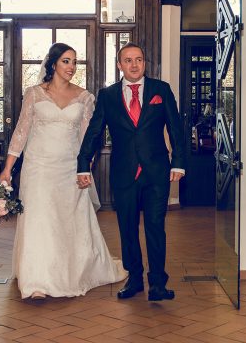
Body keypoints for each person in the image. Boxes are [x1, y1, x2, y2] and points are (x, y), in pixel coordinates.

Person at [0, 42, 127, 300]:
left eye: (74, 62)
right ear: (53, 63)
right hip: (38, 167)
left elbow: (87, 138)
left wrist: (85, 167)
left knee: (68, 221)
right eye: (66, 61)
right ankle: (36, 281)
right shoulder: (34, 93)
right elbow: (22, 132)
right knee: (39, 221)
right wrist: (7, 169)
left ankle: (73, 271)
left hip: (69, 168)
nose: (72, 67)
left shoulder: (85, 97)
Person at [77, 43, 185, 301]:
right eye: (128, 60)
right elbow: (94, 133)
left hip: (157, 172)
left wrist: (178, 162)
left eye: (139, 59)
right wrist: (83, 164)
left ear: (144, 63)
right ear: (119, 65)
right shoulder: (108, 95)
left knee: (155, 227)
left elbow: (176, 128)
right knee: (127, 229)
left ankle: (158, 283)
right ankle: (134, 279)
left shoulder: (161, 90)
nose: (134, 65)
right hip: (124, 173)